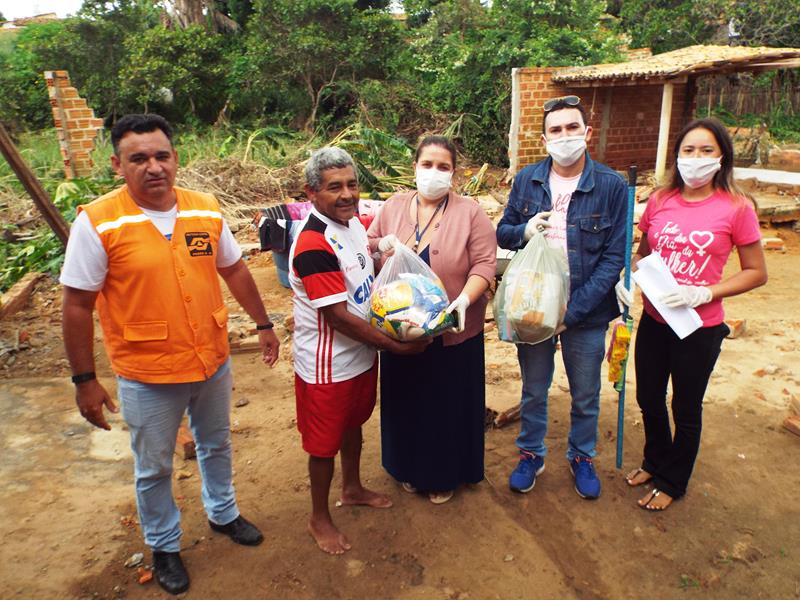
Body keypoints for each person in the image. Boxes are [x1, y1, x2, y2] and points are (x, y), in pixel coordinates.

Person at [60, 114, 280, 595]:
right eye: (139, 158)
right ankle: (164, 545)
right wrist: (85, 380)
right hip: (148, 372)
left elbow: (236, 270)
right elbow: (76, 304)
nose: (153, 167)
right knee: (155, 465)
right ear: (118, 165)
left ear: (175, 159)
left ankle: (223, 514)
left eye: (162, 155)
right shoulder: (98, 221)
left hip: (212, 359)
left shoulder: (204, 209)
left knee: (216, 443)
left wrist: (264, 324)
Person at [616, 117, 767, 511]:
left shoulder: (736, 208)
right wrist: (631, 276)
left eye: (706, 151)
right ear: (677, 156)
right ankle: (655, 459)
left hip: (699, 328)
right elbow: (645, 253)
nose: (695, 159)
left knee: (684, 407)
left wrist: (706, 291)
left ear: (721, 159)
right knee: (648, 397)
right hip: (654, 319)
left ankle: (673, 479)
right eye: (688, 150)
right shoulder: (662, 201)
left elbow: (757, 273)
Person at [290, 147, 429, 555]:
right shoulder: (312, 244)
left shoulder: (349, 225)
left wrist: (380, 251)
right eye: (335, 187)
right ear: (311, 193)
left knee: (354, 425)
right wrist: (395, 347)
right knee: (322, 444)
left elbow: (361, 272)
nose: (347, 194)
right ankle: (319, 517)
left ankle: (351, 488)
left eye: (352, 184)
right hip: (328, 365)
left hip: (360, 357)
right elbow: (338, 317)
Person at [496, 95, 627, 499]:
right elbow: (503, 232)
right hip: (533, 305)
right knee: (534, 388)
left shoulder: (611, 186)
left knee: (586, 394)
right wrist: (524, 231)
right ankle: (531, 453)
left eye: (573, 128)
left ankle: (581, 455)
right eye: (556, 130)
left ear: (587, 133)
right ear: (544, 138)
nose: (565, 136)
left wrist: (575, 309)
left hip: (585, 312)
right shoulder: (527, 180)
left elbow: (613, 258)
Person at [367, 136, 497, 505]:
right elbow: (368, 242)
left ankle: (443, 474)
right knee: (407, 400)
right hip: (400, 329)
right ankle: (408, 467)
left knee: (446, 403)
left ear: (454, 173)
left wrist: (464, 300)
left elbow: (485, 264)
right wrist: (380, 245)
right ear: (414, 168)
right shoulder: (392, 207)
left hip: (454, 330)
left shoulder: (470, 211)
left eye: (443, 167)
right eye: (427, 165)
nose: (434, 173)